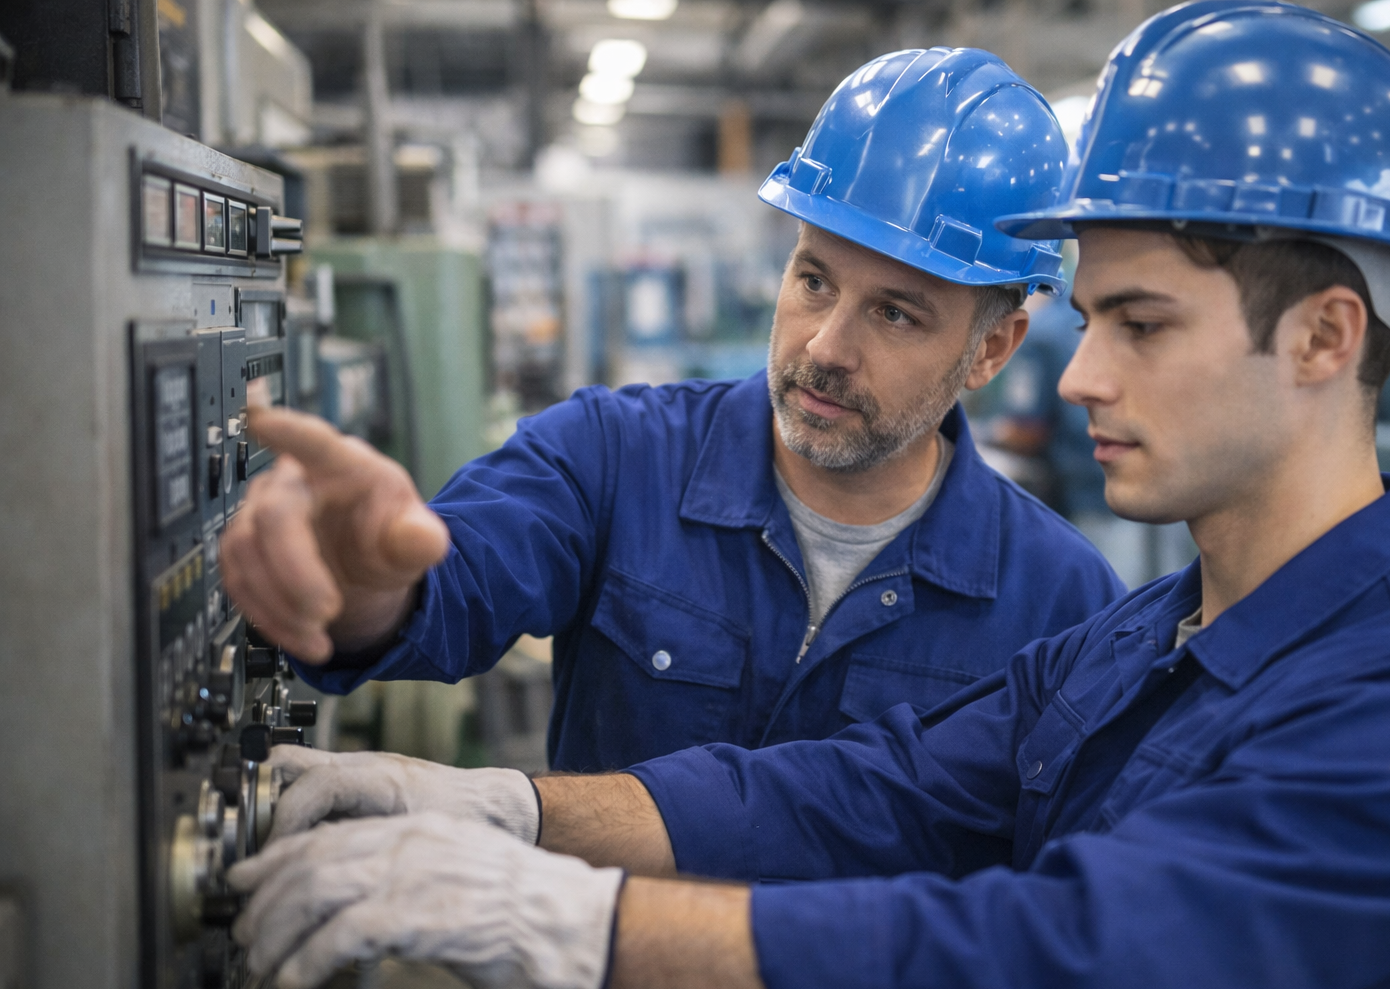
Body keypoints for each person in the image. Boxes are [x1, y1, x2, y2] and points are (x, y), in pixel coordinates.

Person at [229, 4, 1390, 989]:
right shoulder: (1143, 642)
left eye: (1140, 325)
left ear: (1324, 337)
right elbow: (864, 794)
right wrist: (506, 809)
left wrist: (571, 921)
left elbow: (1061, 965)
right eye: (1093, 321)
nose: (1077, 378)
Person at [221, 47, 1123, 779]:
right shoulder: (613, 457)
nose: (824, 347)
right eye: (814, 280)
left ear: (993, 350)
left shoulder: (1062, 605)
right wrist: (369, 585)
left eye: (894, 314)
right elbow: (452, 585)